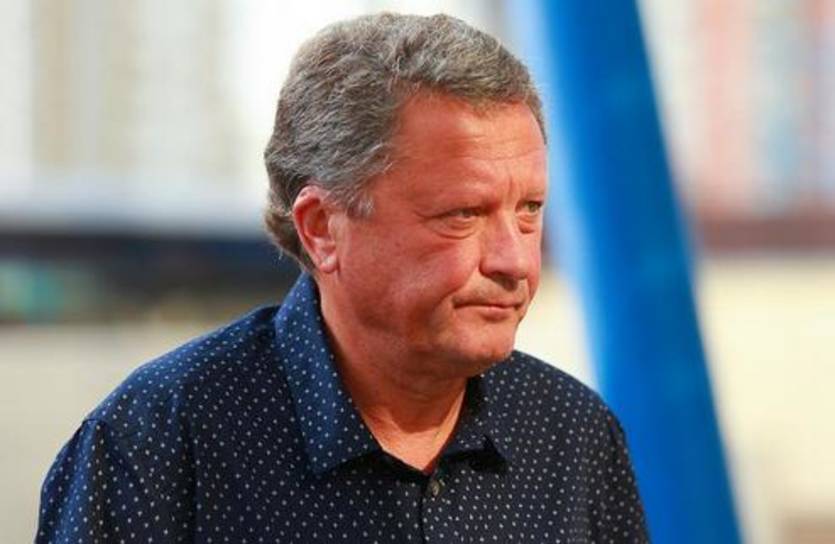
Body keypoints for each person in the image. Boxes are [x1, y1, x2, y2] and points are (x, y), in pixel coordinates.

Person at [36, 13, 648, 543]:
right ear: (323, 228)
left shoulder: (574, 435)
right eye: (463, 214)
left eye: (530, 211)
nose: (514, 260)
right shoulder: (158, 442)